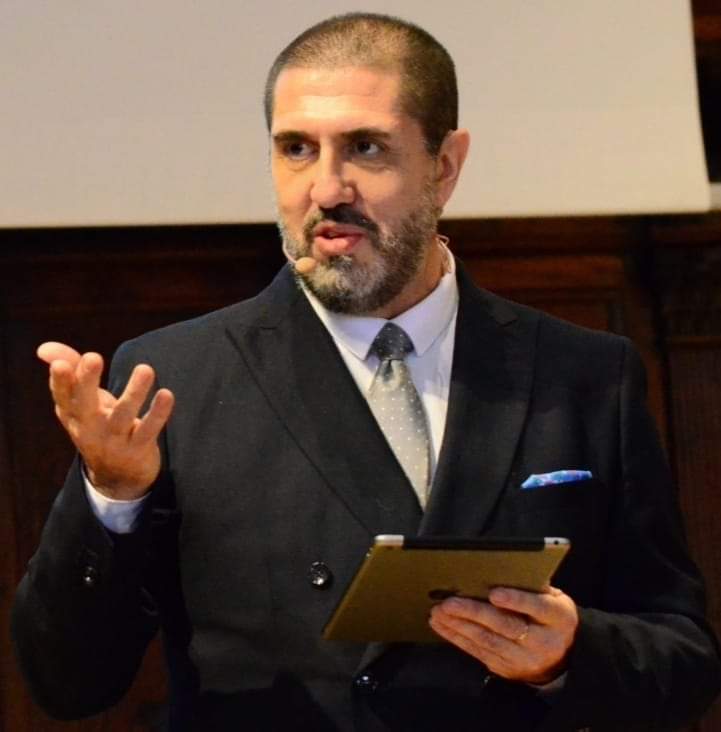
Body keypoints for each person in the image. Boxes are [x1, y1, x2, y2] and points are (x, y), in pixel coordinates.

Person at [12, 12, 721, 732]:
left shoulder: (585, 375)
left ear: (445, 166)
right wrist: (114, 496)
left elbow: (683, 662)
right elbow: (68, 684)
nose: (326, 189)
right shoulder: (176, 379)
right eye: (296, 148)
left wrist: (568, 654)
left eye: (365, 148)